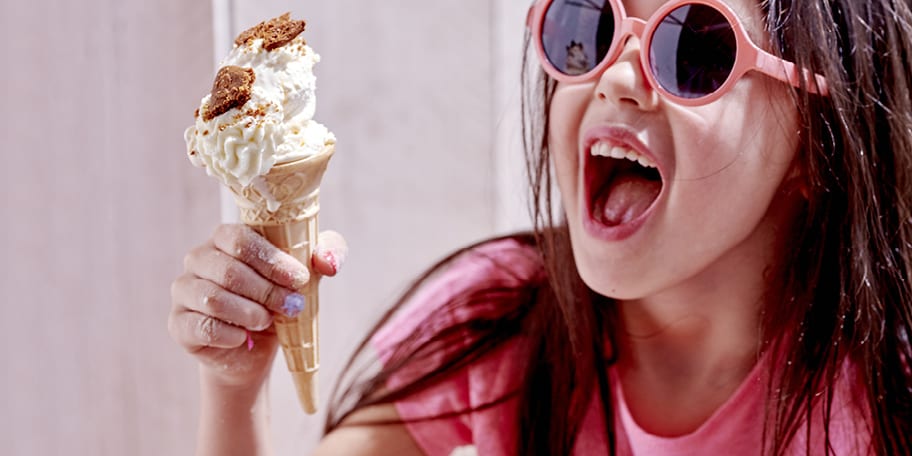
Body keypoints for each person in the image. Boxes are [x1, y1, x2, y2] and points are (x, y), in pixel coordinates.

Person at [168, 0, 912, 454]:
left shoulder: (885, 400)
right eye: (590, 25)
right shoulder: (501, 318)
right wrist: (234, 388)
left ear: (818, 143)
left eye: (694, 50)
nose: (615, 76)